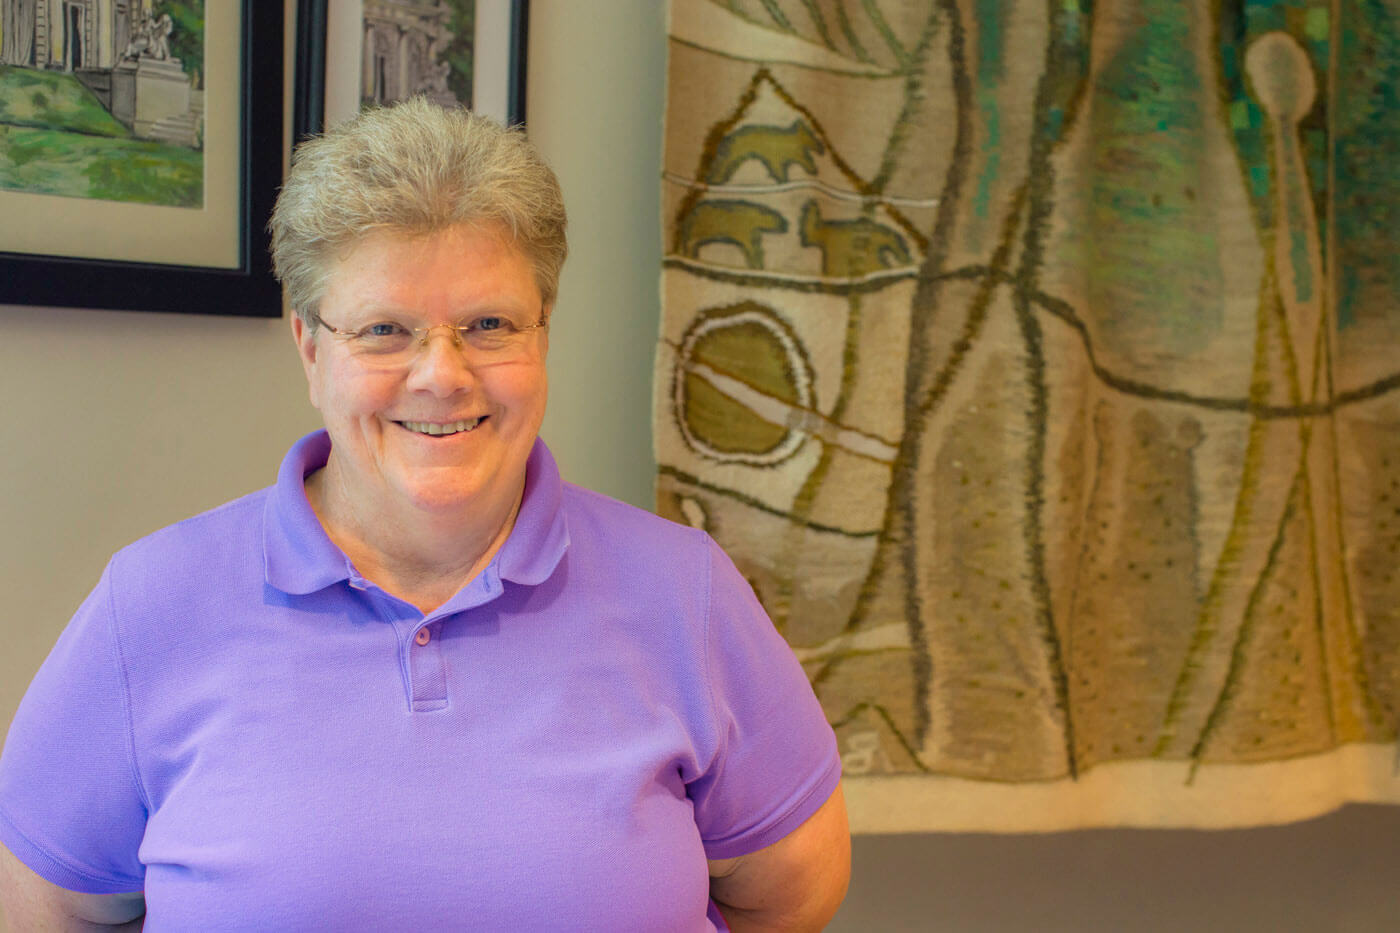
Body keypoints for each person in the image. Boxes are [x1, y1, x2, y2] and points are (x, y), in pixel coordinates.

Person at [0, 98, 849, 930]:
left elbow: (790, 897)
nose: (442, 374)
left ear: (542, 335)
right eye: (384, 330)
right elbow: (41, 908)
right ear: (310, 346)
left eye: (489, 324)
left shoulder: (685, 592)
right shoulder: (149, 606)